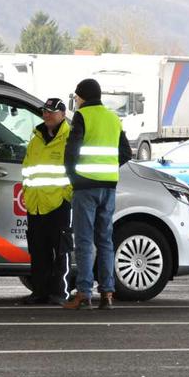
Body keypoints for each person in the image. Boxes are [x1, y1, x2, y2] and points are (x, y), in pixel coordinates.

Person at [62, 78, 132, 310]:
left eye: (77, 96)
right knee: (105, 240)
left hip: (86, 187)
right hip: (108, 186)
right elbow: (126, 152)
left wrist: (74, 177)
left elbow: (72, 150)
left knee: (84, 240)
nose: (77, 101)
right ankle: (107, 293)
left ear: (82, 96)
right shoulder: (113, 118)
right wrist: (109, 168)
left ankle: (83, 293)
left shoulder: (83, 116)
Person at [20, 98, 73, 305]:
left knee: (61, 251)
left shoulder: (69, 137)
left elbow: (75, 170)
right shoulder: (36, 138)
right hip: (36, 204)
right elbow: (27, 168)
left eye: (52, 111)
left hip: (59, 203)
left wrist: (66, 195)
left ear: (62, 113)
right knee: (38, 251)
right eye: (45, 111)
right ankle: (40, 292)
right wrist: (27, 193)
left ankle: (62, 293)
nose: (47, 115)